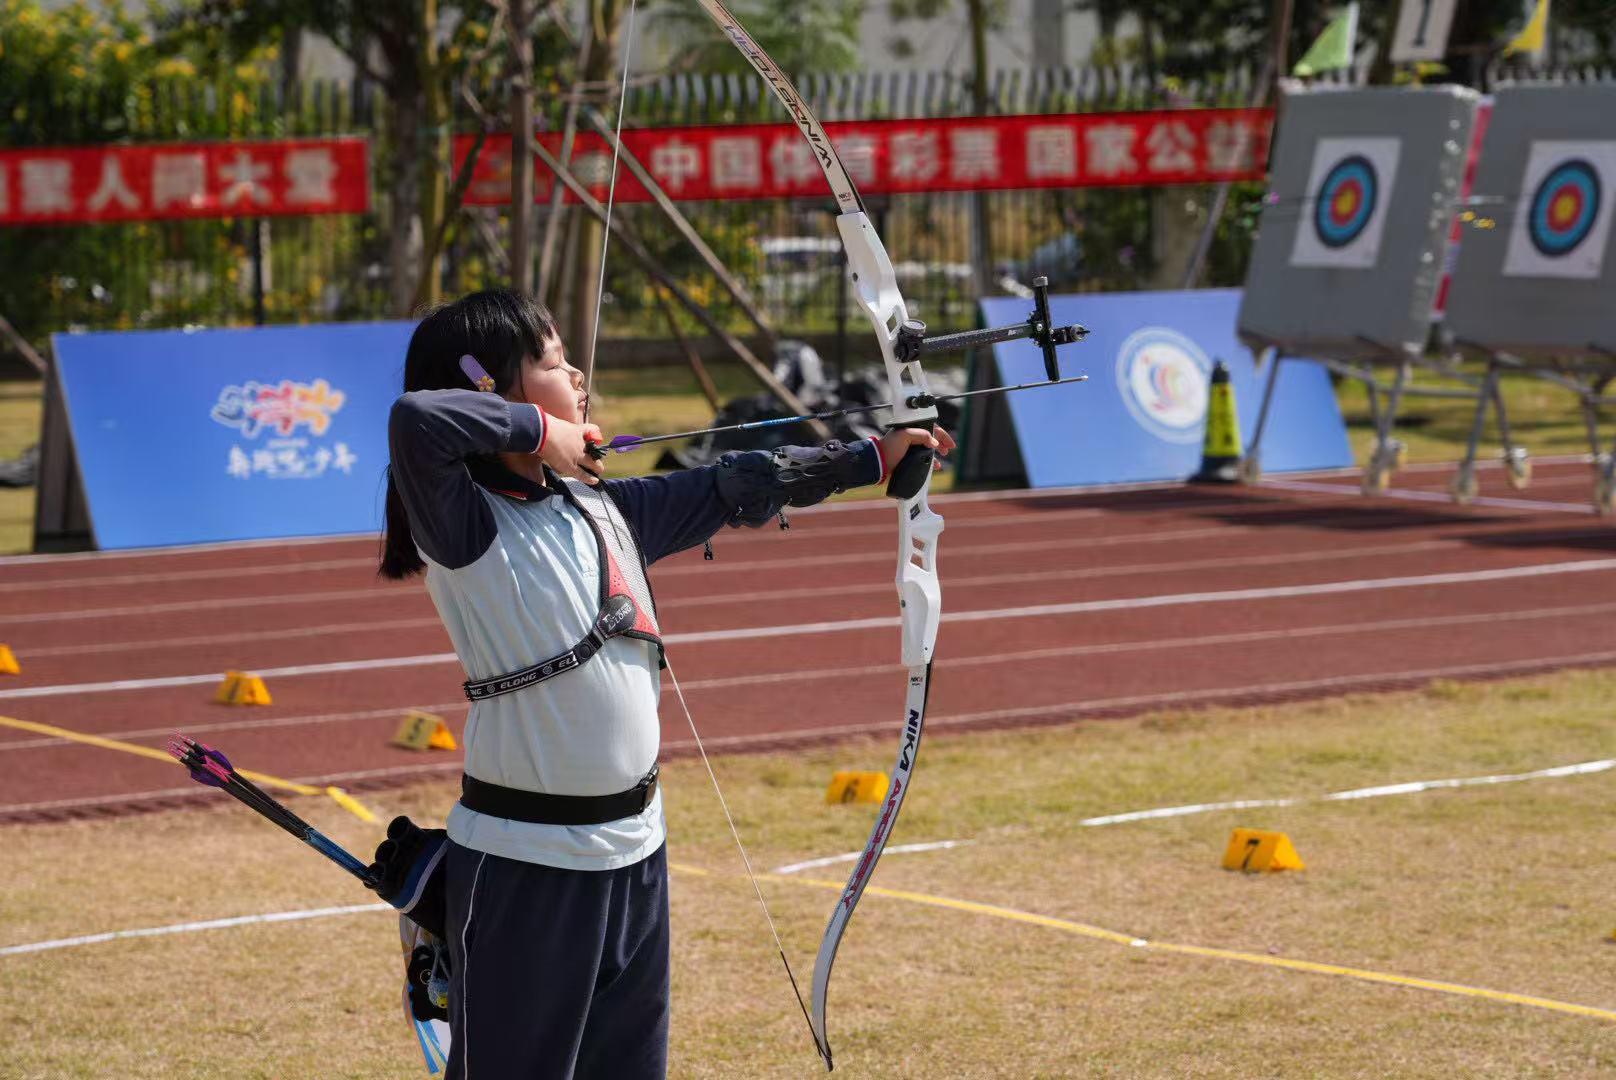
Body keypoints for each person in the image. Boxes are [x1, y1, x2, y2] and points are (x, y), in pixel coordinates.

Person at [379, 288, 951, 1079]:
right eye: (550, 362)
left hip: (636, 853)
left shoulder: (600, 506)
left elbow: (730, 487)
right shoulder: (467, 525)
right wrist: (547, 432)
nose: (576, 374)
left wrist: (868, 460)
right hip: (527, 864)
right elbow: (415, 419)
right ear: (488, 390)